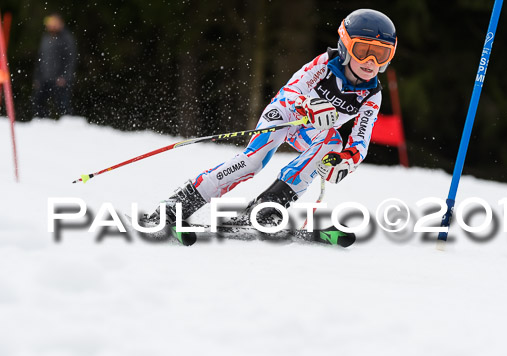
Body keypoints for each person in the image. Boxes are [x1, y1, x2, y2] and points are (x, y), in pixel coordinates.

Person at [146, 9, 397, 226]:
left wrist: (346, 161)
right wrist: (308, 105)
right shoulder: (324, 64)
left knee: (332, 142)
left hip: (310, 132)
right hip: (286, 115)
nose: (371, 61)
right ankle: (179, 203)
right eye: (363, 50)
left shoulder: (371, 95)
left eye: (381, 54)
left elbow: (360, 139)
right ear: (345, 46)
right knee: (252, 162)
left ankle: (267, 208)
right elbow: (290, 92)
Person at [32, 13, 77, 118]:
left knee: (62, 105)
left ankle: (68, 125)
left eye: (54, 23)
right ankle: (42, 123)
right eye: (49, 23)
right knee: (38, 102)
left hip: (59, 79)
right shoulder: (46, 38)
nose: (51, 25)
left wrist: (64, 76)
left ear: (61, 23)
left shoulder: (67, 38)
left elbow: (71, 59)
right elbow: (40, 59)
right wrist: (37, 78)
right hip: (44, 78)